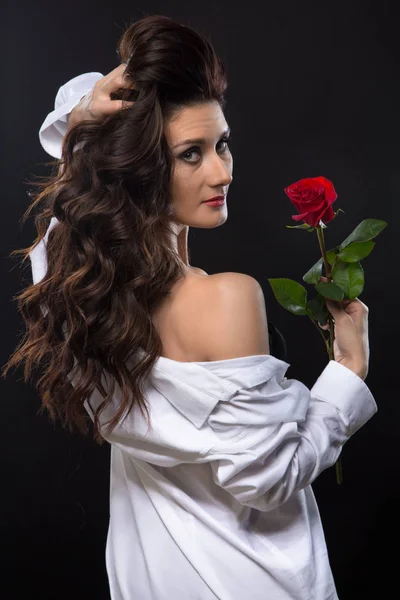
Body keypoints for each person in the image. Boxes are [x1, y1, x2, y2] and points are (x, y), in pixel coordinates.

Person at [4, 14, 376, 600]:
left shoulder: (84, 298)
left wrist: (82, 120)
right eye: (191, 154)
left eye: (221, 143)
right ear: (142, 166)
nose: (223, 171)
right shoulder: (223, 298)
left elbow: (68, 205)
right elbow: (270, 480)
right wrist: (346, 378)